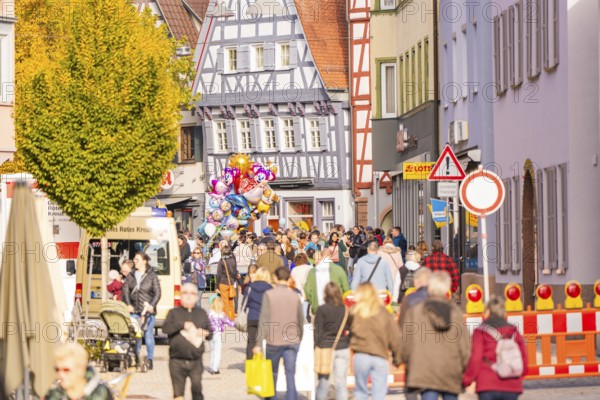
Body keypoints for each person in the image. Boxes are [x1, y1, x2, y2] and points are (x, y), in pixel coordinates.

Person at [400, 271, 471, 400]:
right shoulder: (455, 312)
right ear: (447, 288)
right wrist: (465, 369)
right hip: (450, 370)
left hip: (426, 370)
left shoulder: (416, 311)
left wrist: (405, 360)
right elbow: (465, 346)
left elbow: (406, 342)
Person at [463, 296, 528, 400]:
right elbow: (523, 356)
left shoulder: (480, 331)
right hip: (511, 383)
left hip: (487, 384)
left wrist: (467, 380)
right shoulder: (513, 330)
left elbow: (475, 358)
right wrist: (520, 374)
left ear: (488, 310)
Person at [254, 267, 305, 400]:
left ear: (275, 278)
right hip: (292, 340)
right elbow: (301, 319)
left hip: (274, 340)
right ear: (288, 279)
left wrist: (258, 343)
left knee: (272, 375)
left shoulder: (269, 295)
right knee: (290, 375)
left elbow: (263, 319)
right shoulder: (295, 296)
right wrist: (299, 337)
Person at [350, 283, 401, 400]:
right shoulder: (383, 312)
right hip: (380, 356)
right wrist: (397, 359)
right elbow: (395, 337)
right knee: (379, 394)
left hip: (360, 356)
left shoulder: (354, 311)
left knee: (360, 392)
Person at [162, 283, 212, 400]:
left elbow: (211, 332)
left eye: (192, 293)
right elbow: (166, 329)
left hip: (196, 361)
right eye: (185, 293)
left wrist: (205, 332)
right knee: (178, 394)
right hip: (177, 361)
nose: (189, 296)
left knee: (197, 391)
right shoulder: (173, 313)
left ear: (197, 297)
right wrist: (182, 325)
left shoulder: (202, 313)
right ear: (180, 296)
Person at [122, 251, 161, 370]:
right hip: (134, 310)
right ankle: (137, 358)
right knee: (136, 336)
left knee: (148, 335)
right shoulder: (131, 275)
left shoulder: (152, 275)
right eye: (134, 259)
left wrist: (152, 305)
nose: (135, 261)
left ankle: (150, 359)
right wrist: (128, 304)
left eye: (137, 259)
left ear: (144, 261)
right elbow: (126, 291)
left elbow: (157, 293)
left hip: (147, 311)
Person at [314, 283, 351, 400]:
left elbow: (318, 332)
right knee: (341, 383)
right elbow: (350, 328)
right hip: (342, 346)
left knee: (323, 383)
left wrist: (316, 346)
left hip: (325, 348)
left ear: (325, 294)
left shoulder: (322, 309)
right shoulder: (345, 309)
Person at [45, 343, 113, 400]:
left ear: (81, 369)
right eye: (57, 369)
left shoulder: (101, 393)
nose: (61, 374)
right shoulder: (53, 395)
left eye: (66, 370)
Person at [304, 250, 350, 315]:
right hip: (336, 308)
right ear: (331, 256)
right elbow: (347, 289)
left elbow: (307, 290)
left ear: (321, 256)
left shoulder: (312, 272)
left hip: (318, 308)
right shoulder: (339, 270)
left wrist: (313, 301)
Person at [242, 267, 273, 359]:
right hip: (266, 317)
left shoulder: (250, 288)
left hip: (252, 316)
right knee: (265, 340)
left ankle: (250, 362)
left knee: (251, 340)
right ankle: (265, 360)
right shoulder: (270, 288)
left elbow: (244, 304)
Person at [207, 295, 237, 374]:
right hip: (217, 334)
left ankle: (211, 367)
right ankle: (215, 368)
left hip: (210, 334)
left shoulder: (209, 313)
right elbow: (230, 323)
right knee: (217, 351)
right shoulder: (221, 315)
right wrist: (236, 325)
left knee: (212, 351)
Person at [215, 246, 239, 320]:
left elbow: (218, 274)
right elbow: (235, 272)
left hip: (223, 283)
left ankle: (226, 318)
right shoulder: (232, 260)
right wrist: (234, 280)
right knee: (231, 301)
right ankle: (231, 317)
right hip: (231, 283)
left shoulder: (221, 261)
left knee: (225, 302)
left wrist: (216, 286)